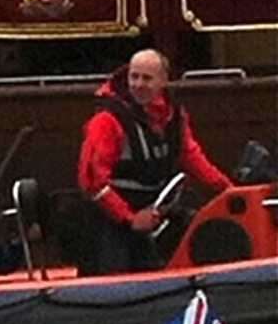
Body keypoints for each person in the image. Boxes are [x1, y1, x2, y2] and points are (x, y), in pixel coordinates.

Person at [76, 49, 231, 275]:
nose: (138, 84)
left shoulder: (174, 116)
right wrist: (129, 218)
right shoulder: (107, 121)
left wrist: (229, 190)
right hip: (110, 221)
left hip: (152, 214)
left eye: (147, 78)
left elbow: (191, 157)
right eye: (134, 77)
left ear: (164, 81)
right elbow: (91, 180)